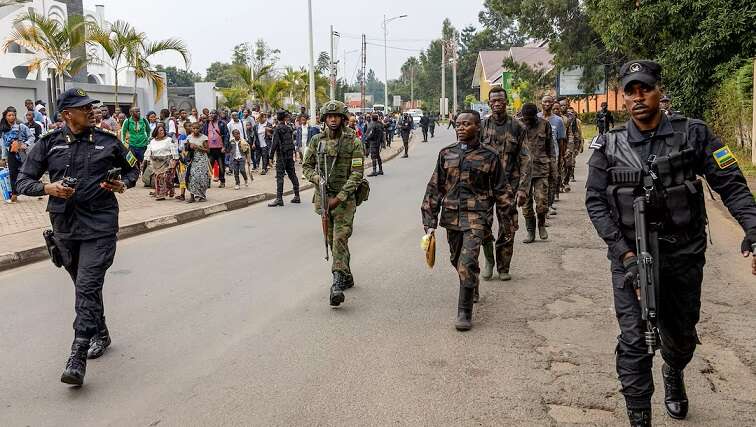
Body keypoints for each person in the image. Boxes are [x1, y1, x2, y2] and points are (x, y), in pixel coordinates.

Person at [585, 60, 756, 426]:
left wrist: (752, 228)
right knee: (634, 341)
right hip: (631, 257)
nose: (637, 97)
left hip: (684, 252)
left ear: (659, 91)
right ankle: (639, 417)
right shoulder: (608, 144)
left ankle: (674, 372)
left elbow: (731, 183)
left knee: (680, 338)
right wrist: (624, 254)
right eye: (630, 91)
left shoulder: (693, 134)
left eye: (644, 88)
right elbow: (595, 202)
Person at [16, 88, 139, 385]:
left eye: (91, 108)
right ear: (67, 115)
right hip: (65, 227)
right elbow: (22, 181)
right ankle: (102, 332)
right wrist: (49, 189)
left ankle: (77, 354)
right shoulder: (48, 144)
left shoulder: (109, 141)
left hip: (100, 224)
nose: (91, 112)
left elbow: (134, 169)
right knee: (84, 286)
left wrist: (123, 184)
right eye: (84, 108)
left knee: (86, 285)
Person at [421, 110, 512, 331]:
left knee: (467, 261)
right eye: (458, 124)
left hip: (477, 216)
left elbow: (501, 191)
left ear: (478, 127)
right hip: (451, 216)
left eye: (467, 124)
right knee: (456, 259)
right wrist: (429, 222)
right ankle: (472, 283)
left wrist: (508, 220)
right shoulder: (446, 154)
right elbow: (435, 188)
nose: (461, 128)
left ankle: (464, 312)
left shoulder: (489, 156)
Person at [302, 100, 365, 307]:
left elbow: (357, 174)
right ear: (324, 119)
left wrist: (339, 197)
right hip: (324, 198)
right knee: (331, 240)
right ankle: (346, 275)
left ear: (343, 118)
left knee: (340, 238)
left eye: (336, 116)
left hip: (344, 200)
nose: (333, 119)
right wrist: (317, 180)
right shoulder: (316, 141)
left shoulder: (353, 141)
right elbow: (307, 167)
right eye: (329, 117)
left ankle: (336, 284)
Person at [480, 87, 531, 282]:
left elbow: (526, 159)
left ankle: (503, 266)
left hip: (508, 186)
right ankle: (489, 260)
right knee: (482, 225)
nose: (497, 103)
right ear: (489, 103)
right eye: (494, 100)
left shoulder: (517, 127)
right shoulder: (482, 126)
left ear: (506, 101)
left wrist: (523, 189)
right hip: (484, 186)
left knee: (507, 228)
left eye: (501, 100)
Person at [520, 103, 553, 243]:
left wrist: (553, 167)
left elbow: (550, 147)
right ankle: (530, 231)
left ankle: (541, 224)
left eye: (529, 118)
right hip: (523, 173)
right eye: (525, 118)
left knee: (541, 202)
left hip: (541, 169)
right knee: (526, 205)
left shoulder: (545, 125)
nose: (527, 121)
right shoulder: (518, 126)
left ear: (535, 115)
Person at [0, 107, 35, 203]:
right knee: (12, 174)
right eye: (9, 115)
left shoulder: (21, 127)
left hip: (22, 153)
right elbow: (3, 144)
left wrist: (26, 144)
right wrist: (3, 157)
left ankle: (36, 189)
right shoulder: (3, 129)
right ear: (5, 117)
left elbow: (32, 137)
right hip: (11, 154)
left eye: (13, 115)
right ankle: (14, 194)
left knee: (27, 172)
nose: (11, 117)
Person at [268, 110, 300, 206]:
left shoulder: (277, 129)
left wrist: (270, 157)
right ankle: (297, 195)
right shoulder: (289, 128)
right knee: (292, 174)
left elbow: (274, 143)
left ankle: (279, 198)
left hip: (281, 156)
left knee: (280, 176)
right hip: (289, 155)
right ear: (284, 118)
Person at [539, 95, 564, 215]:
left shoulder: (558, 121)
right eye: (545, 102)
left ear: (553, 103)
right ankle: (543, 208)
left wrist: (561, 158)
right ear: (541, 103)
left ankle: (549, 204)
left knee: (552, 181)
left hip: (554, 156)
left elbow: (561, 141)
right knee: (541, 183)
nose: (547, 104)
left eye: (549, 102)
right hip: (538, 157)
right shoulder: (536, 118)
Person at [143, 123, 178, 200]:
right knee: (158, 178)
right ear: (156, 132)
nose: (161, 132)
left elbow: (174, 151)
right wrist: (145, 161)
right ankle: (163, 192)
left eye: (162, 130)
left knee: (164, 177)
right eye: (159, 131)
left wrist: (175, 161)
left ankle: (165, 191)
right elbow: (149, 151)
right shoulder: (152, 141)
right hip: (156, 162)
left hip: (167, 161)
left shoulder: (169, 140)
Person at [559, 99, 583, 191]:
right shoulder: (557, 117)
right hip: (560, 143)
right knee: (560, 164)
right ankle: (561, 183)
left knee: (569, 164)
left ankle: (566, 181)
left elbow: (575, 132)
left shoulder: (572, 117)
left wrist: (577, 145)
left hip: (570, 142)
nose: (563, 107)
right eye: (561, 105)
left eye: (565, 105)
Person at [203, 110, 229, 188]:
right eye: (210, 113)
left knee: (221, 166)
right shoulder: (207, 124)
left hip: (220, 148)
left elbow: (226, 135)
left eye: (213, 113)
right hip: (210, 149)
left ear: (217, 115)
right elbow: (204, 135)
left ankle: (222, 181)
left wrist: (224, 146)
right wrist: (205, 147)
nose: (211, 114)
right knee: (209, 167)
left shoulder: (222, 123)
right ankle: (207, 182)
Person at [186, 121, 209, 203]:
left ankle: (202, 195)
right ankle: (192, 196)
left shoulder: (204, 137)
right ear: (191, 128)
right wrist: (189, 146)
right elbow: (186, 148)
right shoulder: (189, 137)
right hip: (193, 159)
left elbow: (207, 150)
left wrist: (198, 147)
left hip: (202, 159)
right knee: (192, 177)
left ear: (200, 128)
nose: (195, 130)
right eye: (194, 128)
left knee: (201, 177)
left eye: (197, 128)